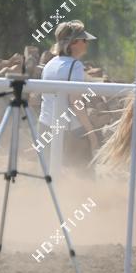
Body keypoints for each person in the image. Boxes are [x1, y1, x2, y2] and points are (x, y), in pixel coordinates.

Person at [38, 21, 100, 178]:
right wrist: (91, 132)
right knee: (85, 177)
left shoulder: (49, 64)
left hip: (45, 126)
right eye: (83, 40)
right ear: (73, 43)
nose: (86, 43)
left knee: (48, 177)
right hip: (69, 130)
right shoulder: (75, 65)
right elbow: (76, 102)